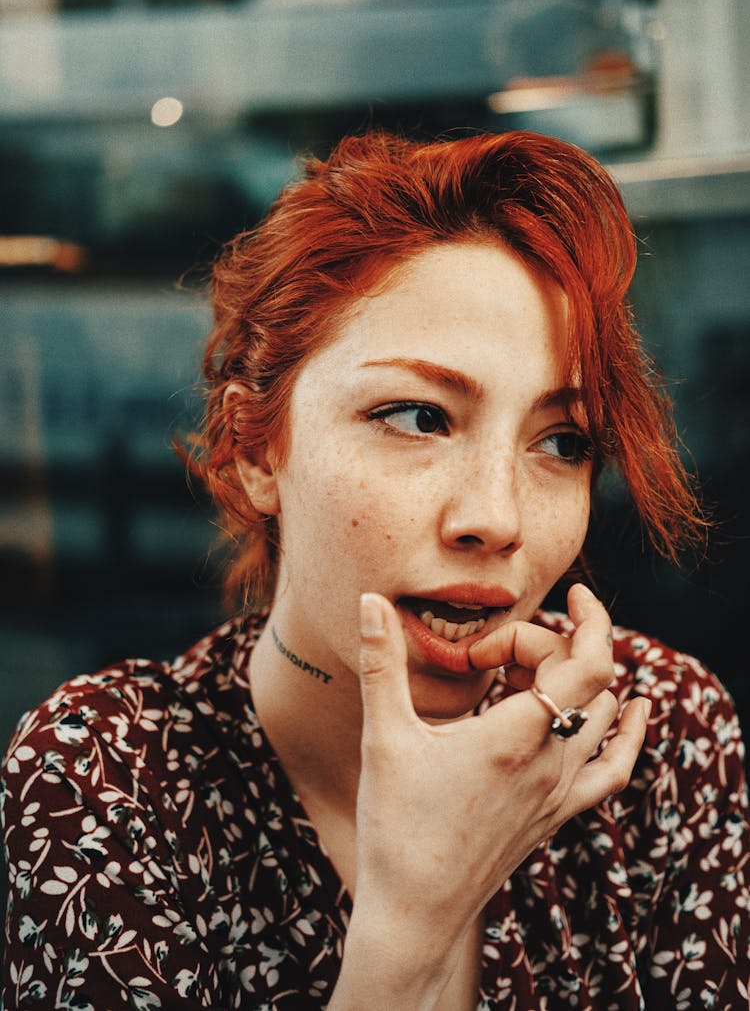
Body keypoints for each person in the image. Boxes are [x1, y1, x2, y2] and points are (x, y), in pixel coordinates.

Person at [1, 130, 748, 1011]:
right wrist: (416, 919)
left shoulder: (653, 738)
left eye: (562, 441)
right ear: (254, 448)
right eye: (417, 417)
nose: (496, 518)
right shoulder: (107, 776)